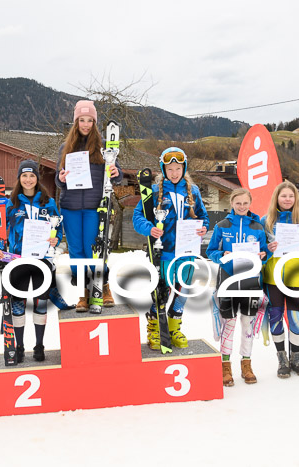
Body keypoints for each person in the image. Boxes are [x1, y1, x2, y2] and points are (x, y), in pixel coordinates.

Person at [132, 147, 209, 349]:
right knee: (161, 291)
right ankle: (155, 329)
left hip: (187, 252)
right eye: (170, 169)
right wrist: (150, 228)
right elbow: (137, 217)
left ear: (183, 169)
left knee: (183, 291)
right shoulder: (154, 191)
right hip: (163, 251)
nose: (174, 173)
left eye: (178, 168)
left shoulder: (194, 191)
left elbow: (203, 217)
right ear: (163, 169)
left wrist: (203, 227)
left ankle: (174, 327)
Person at [0, 160, 63, 362]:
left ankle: (39, 346)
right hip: (17, 260)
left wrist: (57, 238)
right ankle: (19, 346)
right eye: (24, 176)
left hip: (42, 260)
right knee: (18, 304)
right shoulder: (10, 204)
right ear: (19, 178)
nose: (28, 179)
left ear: (37, 179)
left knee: (40, 302)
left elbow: (59, 227)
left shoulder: (47, 202)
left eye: (32, 176)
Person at [55, 100, 123, 311]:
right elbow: (58, 180)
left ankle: (103, 287)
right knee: (76, 252)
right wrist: (62, 177)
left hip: (95, 207)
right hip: (71, 207)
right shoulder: (65, 148)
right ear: (75, 122)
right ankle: (83, 293)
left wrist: (116, 173)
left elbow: (118, 176)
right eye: (82, 120)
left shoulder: (104, 146)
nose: (86, 124)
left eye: (90, 120)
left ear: (95, 122)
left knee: (95, 249)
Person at [206, 189, 268, 386]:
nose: (242, 206)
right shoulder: (222, 225)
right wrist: (221, 255)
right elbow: (211, 250)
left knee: (248, 322)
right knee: (229, 323)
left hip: (250, 281)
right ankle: (225, 365)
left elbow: (265, 251)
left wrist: (263, 256)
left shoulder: (257, 226)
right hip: (228, 280)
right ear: (232, 203)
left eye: (245, 203)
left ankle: (246, 364)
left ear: (250, 203)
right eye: (238, 203)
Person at [262, 181, 299, 378]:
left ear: (296, 199)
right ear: (276, 198)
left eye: (291, 196)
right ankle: (282, 359)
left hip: (297, 279)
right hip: (273, 280)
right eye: (283, 196)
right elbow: (260, 253)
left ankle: (296, 357)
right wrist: (268, 252)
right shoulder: (266, 221)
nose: (287, 199)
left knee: (296, 320)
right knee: (276, 318)